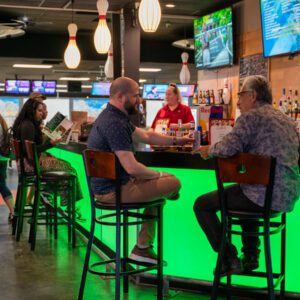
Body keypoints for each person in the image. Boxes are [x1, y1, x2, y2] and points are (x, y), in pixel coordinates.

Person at [193, 75, 300, 275]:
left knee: (202, 205)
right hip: (287, 196)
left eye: (241, 95)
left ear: (253, 95)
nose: (239, 101)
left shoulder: (250, 117)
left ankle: (228, 257)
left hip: (262, 196)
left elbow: (227, 148)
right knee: (244, 191)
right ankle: (251, 256)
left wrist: (210, 150)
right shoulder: (287, 120)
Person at [87, 77, 193, 264]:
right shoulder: (115, 123)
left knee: (158, 190)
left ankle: (142, 248)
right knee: (173, 182)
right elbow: (132, 167)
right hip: (114, 192)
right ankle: (142, 247)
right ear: (121, 96)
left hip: (112, 187)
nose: (139, 100)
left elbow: (146, 135)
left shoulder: (112, 116)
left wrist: (178, 140)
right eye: (136, 96)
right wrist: (160, 175)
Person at [12, 98, 85, 220]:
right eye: (39, 111)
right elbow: (31, 150)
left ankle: (49, 198)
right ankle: (68, 206)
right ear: (32, 110)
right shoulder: (28, 125)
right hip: (32, 164)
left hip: (28, 163)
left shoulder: (25, 123)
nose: (42, 113)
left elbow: (31, 148)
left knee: (65, 167)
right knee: (69, 168)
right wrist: (50, 144)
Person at [0, 114, 14, 223]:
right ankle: (13, 212)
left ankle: (13, 212)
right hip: (3, 158)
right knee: (2, 185)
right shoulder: (2, 123)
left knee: (2, 185)